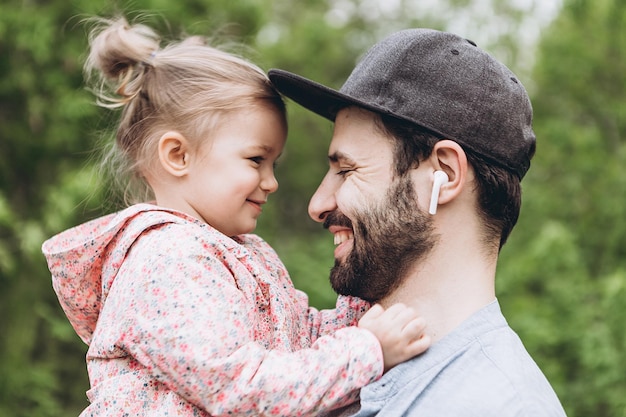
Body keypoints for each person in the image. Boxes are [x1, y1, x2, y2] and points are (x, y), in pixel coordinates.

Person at [41, 17, 431, 417]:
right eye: (256, 160)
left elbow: (299, 343)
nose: (271, 182)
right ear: (178, 155)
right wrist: (367, 351)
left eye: (274, 163)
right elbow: (237, 388)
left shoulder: (238, 252)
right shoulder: (167, 260)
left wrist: (369, 296)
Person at [268, 28, 568, 416]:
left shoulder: (501, 406)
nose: (318, 204)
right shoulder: (330, 370)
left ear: (443, 173)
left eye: (346, 170)